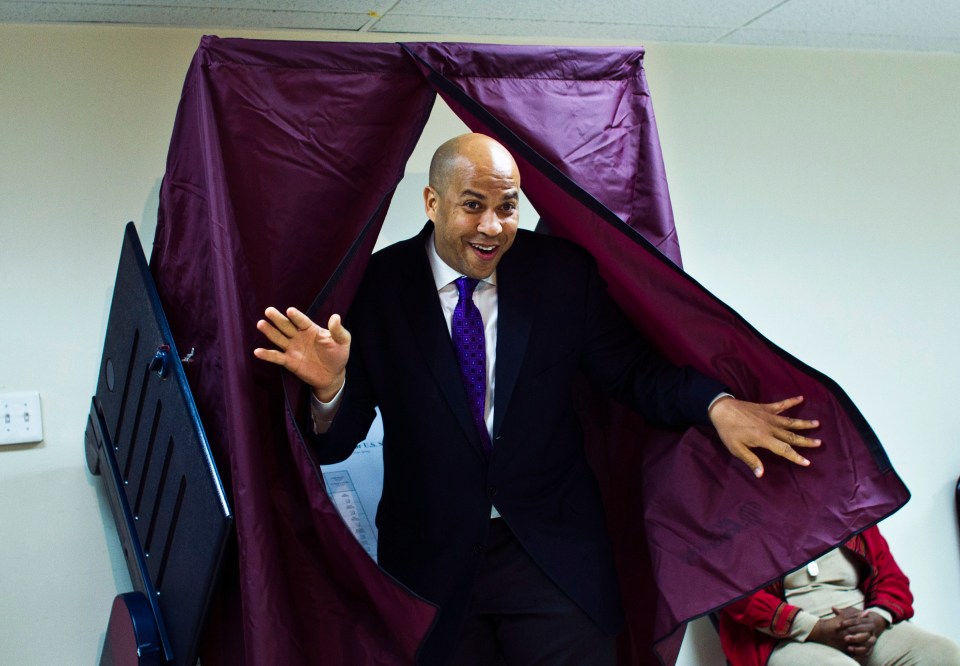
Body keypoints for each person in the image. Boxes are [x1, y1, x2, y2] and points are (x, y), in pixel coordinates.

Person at [254, 133, 822, 664]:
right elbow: (336, 442)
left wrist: (716, 405)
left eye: (508, 206)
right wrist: (330, 388)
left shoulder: (561, 276)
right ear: (432, 202)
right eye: (473, 205)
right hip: (433, 567)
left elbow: (632, 374)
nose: (493, 226)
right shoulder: (378, 287)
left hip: (554, 558)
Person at [718, 525, 960, 666]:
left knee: (944, 654)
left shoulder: (848, 508)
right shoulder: (739, 517)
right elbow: (738, 596)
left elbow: (892, 579)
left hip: (861, 624)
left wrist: (875, 620)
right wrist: (816, 628)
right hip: (787, 638)